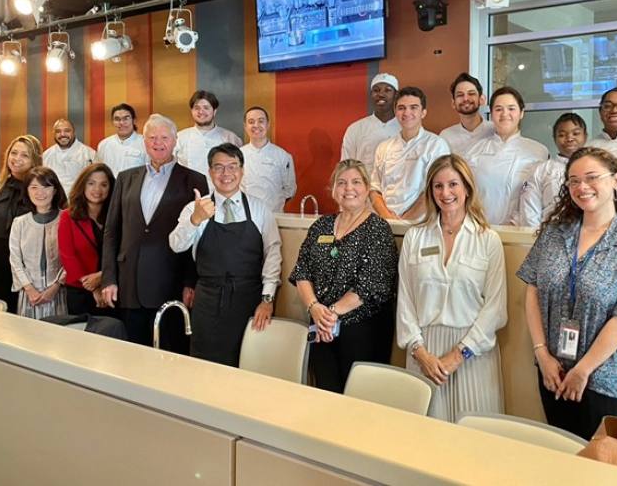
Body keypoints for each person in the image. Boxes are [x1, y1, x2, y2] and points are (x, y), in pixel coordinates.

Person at [517, 147, 617, 440]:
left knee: (603, 472)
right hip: (553, 372)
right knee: (564, 463)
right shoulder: (555, 234)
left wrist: (583, 370)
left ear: (616, 180)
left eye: (592, 178)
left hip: (606, 379)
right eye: (573, 181)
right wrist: (542, 354)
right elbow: (532, 289)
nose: (582, 187)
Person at [397, 154, 507, 422]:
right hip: (424, 352)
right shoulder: (415, 237)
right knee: (424, 440)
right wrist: (419, 351)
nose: (446, 193)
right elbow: (406, 301)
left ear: (467, 188)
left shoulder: (487, 240)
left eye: (453, 184)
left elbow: (495, 308)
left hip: (472, 354)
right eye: (438, 186)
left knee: (472, 443)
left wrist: (459, 355)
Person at [101, 114, 208, 350]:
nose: (158, 143)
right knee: (131, 354)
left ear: (175, 140)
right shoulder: (125, 179)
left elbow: (199, 238)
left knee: (169, 354)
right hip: (129, 284)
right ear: (144, 141)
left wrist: (191, 281)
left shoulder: (195, 180)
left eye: (164, 137)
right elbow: (111, 232)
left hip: (170, 282)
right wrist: (109, 279)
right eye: (152, 137)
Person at [169, 143, 282, 367]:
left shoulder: (259, 209)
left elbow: (273, 254)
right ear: (210, 172)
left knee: (248, 363)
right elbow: (175, 245)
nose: (226, 174)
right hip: (208, 301)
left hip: (249, 300)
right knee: (205, 366)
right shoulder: (195, 208)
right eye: (219, 168)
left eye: (232, 167)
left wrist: (267, 299)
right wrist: (196, 220)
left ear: (242, 170)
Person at [290, 160, 398, 392]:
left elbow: (372, 284)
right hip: (320, 326)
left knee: (359, 399)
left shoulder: (378, 229)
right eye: (342, 183)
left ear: (367, 189)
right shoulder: (321, 226)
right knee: (325, 391)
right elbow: (302, 271)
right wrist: (314, 308)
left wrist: (332, 313)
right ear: (333, 190)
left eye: (356, 182)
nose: (349, 188)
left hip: (362, 330)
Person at [0, 134, 43, 313]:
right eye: (14, 153)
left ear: (35, 160)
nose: (17, 159)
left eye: (25, 155)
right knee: (4, 317)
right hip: (0, 261)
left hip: (31, 264)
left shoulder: (41, 191)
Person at [464, 86, 548, 225]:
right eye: (498, 109)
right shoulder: (473, 151)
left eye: (511, 108)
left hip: (521, 235)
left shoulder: (538, 151)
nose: (504, 114)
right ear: (491, 114)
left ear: (521, 113)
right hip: (480, 230)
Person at [370, 86, 450, 220]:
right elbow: (374, 189)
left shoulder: (436, 145)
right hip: (387, 223)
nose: (407, 113)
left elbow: (435, 188)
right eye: (401, 108)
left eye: (413, 107)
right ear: (395, 112)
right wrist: (388, 218)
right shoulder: (383, 147)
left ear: (423, 112)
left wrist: (405, 220)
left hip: (421, 224)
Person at [9, 166, 69, 319]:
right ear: (27, 191)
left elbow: (71, 259)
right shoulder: (20, 223)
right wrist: (29, 288)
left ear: (55, 190)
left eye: (46, 187)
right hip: (29, 294)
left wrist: (55, 287)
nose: (39, 192)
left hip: (57, 293)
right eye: (34, 187)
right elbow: (15, 260)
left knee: (56, 338)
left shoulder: (66, 220)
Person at [58, 163, 116, 315]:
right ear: (82, 185)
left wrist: (103, 276)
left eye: (104, 184)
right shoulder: (67, 216)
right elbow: (68, 256)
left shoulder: (118, 217)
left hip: (111, 289)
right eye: (91, 183)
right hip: (79, 291)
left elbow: (123, 253)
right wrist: (93, 287)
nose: (97, 190)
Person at [514, 113, 587, 228]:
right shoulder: (541, 170)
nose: (569, 138)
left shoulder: (596, 168)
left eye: (576, 133)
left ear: (585, 136)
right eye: (562, 135)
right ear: (554, 138)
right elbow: (529, 210)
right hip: (550, 236)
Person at [174, 90, 242, 190]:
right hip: (187, 195)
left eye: (206, 108)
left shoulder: (230, 138)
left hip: (220, 195)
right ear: (191, 111)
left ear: (214, 111)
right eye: (197, 108)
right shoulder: (179, 138)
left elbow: (239, 170)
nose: (201, 112)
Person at [341, 73, 400, 174]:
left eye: (387, 90)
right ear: (371, 95)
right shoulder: (355, 129)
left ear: (396, 95)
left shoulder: (406, 128)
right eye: (376, 90)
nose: (381, 94)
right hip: (364, 188)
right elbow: (345, 167)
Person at [240, 106, 297, 212]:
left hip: (273, 216)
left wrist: (275, 202)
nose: (256, 125)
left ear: (268, 124)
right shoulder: (238, 155)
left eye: (261, 121)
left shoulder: (282, 155)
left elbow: (290, 190)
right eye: (251, 122)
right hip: (244, 216)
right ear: (245, 126)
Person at [439, 73, 495, 155]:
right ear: (453, 103)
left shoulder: (495, 131)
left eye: (471, 94)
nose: (465, 99)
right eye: (460, 95)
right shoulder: (446, 137)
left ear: (481, 99)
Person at [42, 118, 96, 195]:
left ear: (73, 132)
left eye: (67, 131)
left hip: (80, 201)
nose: (62, 134)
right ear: (53, 133)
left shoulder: (89, 154)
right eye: (58, 131)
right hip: (54, 202)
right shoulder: (46, 156)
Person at [96, 103, 147, 176]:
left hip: (135, 187)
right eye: (117, 119)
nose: (121, 123)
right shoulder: (104, 144)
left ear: (134, 120)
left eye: (126, 118)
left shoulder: (145, 143)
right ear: (112, 122)